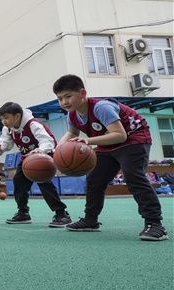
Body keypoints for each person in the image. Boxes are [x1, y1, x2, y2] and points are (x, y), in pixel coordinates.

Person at [53, 74, 167, 241]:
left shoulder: (101, 107)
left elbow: (120, 135)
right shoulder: (72, 114)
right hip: (108, 143)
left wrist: (88, 140)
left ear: (83, 93)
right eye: (60, 98)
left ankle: (155, 224)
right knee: (94, 179)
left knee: (133, 176)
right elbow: (71, 133)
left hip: (133, 138)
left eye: (68, 96)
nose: (64, 102)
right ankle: (90, 221)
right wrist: (58, 150)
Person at [0, 102, 71, 227]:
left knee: (44, 183)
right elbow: (6, 142)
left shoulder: (33, 124)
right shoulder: (7, 129)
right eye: (1, 118)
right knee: (18, 182)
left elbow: (48, 141)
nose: (4, 121)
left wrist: (40, 151)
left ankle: (61, 214)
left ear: (17, 116)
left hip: (44, 156)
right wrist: (1, 148)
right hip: (27, 159)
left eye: (6, 117)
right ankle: (23, 213)